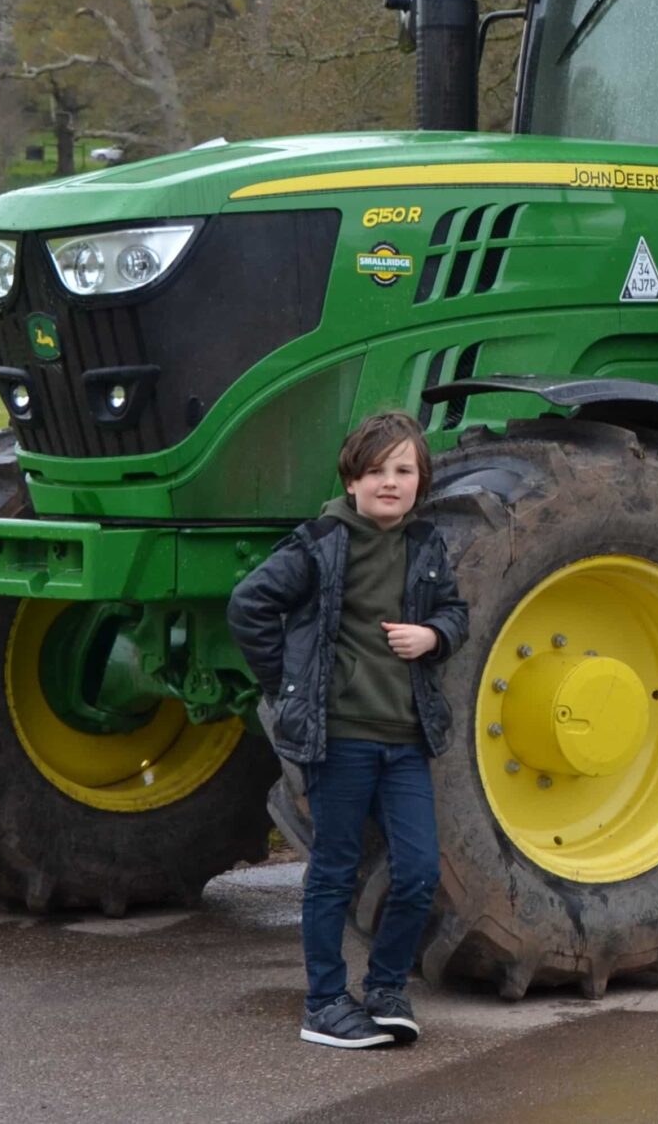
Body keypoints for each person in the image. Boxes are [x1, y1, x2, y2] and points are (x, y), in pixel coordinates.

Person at [227, 411, 468, 1050]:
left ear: (420, 479)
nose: (389, 482)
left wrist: (435, 634)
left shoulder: (426, 546)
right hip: (343, 740)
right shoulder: (321, 543)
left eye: (403, 470)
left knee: (417, 870)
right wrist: (289, 684)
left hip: (407, 738)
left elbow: (455, 612)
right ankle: (325, 1003)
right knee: (335, 869)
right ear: (352, 477)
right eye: (375, 470)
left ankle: (386, 989)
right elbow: (249, 604)